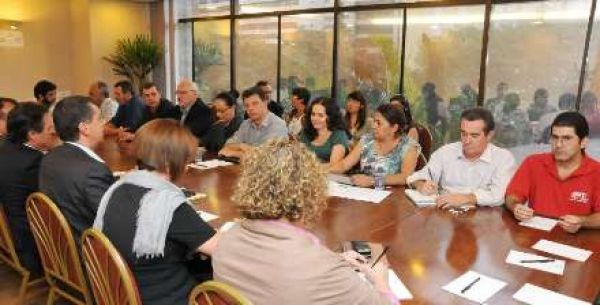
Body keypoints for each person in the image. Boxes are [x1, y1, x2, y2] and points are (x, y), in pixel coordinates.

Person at [213, 139, 397, 305]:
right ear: (310, 191)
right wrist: (381, 280)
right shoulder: (322, 271)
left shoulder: (227, 240)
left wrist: (333, 260)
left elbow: (276, 265)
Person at [93, 119, 220, 305]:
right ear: (170, 164)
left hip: (117, 291)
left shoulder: (119, 187)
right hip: (163, 296)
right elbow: (221, 250)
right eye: (186, 161)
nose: (186, 167)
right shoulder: (167, 204)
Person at [505, 112, 600, 233]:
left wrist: (582, 222)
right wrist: (516, 207)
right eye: (555, 137)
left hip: (578, 241)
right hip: (536, 235)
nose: (558, 144)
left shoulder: (597, 172)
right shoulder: (533, 162)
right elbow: (512, 195)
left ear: (583, 142)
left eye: (566, 138)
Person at [407, 107, 516, 208]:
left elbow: (498, 196)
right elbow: (418, 176)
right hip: (446, 215)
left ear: (489, 135)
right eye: (464, 134)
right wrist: (421, 185)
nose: (467, 141)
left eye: (474, 136)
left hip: (485, 219)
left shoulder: (503, 158)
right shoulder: (446, 152)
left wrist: (467, 198)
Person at [40, 96, 114, 241]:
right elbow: (114, 220)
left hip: (62, 249)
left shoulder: (49, 158)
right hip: (91, 253)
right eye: (99, 118)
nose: (104, 122)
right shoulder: (93, 171)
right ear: (84, 128)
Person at [0, 102, 56, 276]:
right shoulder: (33, 163)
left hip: (9, 240)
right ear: (32, 134)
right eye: (49, 128)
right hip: (34, 249)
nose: (54, 131)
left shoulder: (6, 145)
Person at [330, 104, 419, 187]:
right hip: (364, 192)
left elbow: (405, 177)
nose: (373, 126)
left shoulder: (408, 146)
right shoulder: (367, 140)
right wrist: (320, 171)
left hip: (394, 197)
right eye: (374, 121)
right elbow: (344, 165)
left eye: (378, 123)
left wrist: (373, 181)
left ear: (394, 128)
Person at [219, 86, 288, 159]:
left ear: (265, 103)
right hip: (248, 168)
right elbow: (227, 145)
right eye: (247, 105)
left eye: (255, 103)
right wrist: (241, 146)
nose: (250, 108)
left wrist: (234, 153)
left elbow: (265, 156)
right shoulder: (246, 124)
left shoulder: (278, 125)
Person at [298, 97, 349, 164]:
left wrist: (310, 168)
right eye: (313, 114)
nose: (315, 118)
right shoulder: (306, 131)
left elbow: (334, 165)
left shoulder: (339, 135)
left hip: (329, 174)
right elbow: (298, 158)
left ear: (330, 117)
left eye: (320, 115)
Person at [174, 79, 214, 144]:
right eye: (177, 93)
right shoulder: (176, 109)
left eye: (183, 93)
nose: (178, 96)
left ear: (195, 94)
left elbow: (190, 133)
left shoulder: (204, 111)